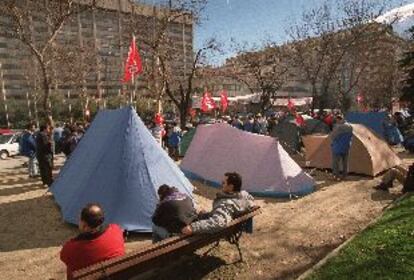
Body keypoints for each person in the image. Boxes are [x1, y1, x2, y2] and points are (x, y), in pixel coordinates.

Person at [60, 203, 125, 279]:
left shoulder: (71, 248)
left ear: (84, 225)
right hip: (117, 275)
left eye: (80, 220)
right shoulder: (115, 229)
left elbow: (64, 258)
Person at [181, 172, 254, 235]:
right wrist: (208, 214)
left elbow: (218, 222)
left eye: (223, 183)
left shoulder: (226, 204)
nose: (221, 184)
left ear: (231, 186)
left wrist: (193, 227)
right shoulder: (244, 196)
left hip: (214, 232)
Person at [330, 115, 353, 181]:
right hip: (346, 147)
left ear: (338, 119)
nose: (336, 122)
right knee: (345, 162)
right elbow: (351, 137)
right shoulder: (350, 126)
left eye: (336, 120)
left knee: (336, 162)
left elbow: (333, 137)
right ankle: (345, 175)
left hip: (337, 147)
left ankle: (336, 176)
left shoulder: (338, 127)